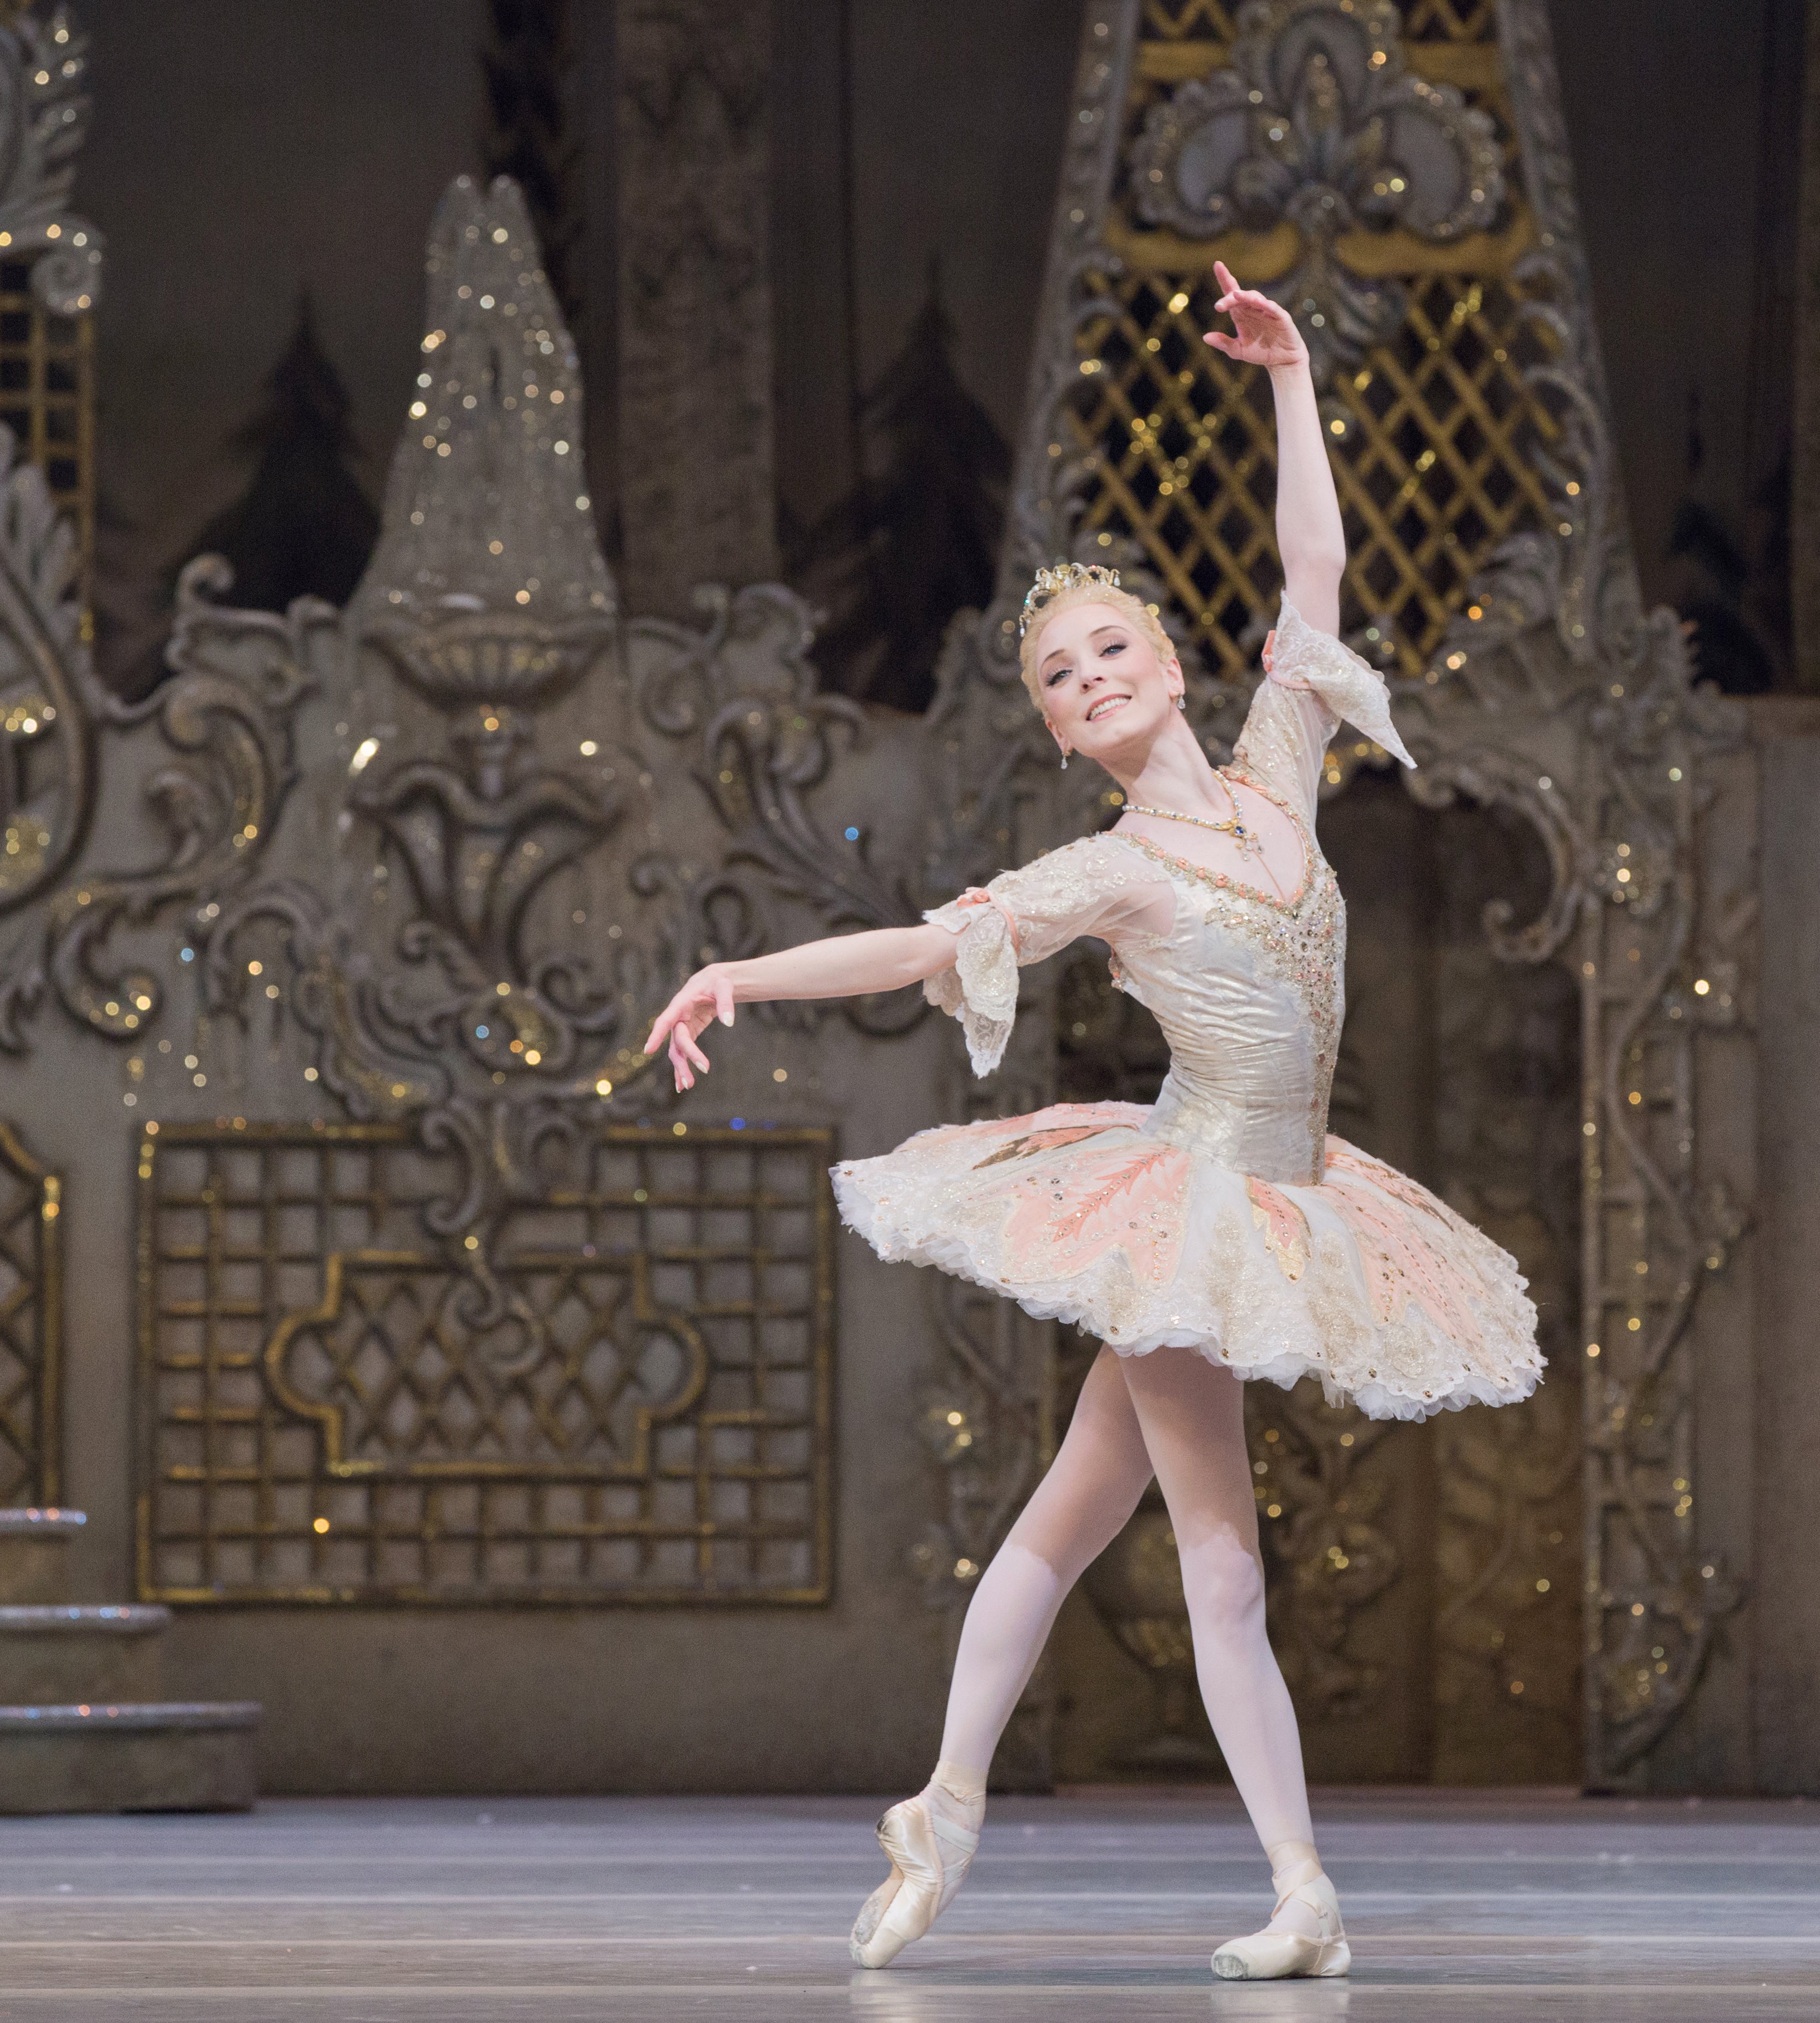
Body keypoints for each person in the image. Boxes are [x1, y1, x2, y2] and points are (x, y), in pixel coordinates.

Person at [643, 262, 1542, 1982]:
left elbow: (1318, 571)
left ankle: (945, 1818)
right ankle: (1298, 1888)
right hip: (1191, 1200)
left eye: (1110, 646)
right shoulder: (1109, 867)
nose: (1089, 677)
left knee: (1065, 1522)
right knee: (1221, 1557)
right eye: (1058, 677)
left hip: (1290, 1188)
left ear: (1175, 664)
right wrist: (740, 975)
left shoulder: (1283, 763)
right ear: (1060, 731)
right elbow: (925, 943)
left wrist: (1286, 379)